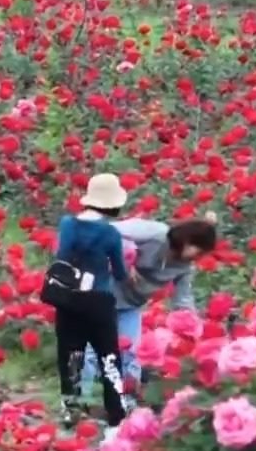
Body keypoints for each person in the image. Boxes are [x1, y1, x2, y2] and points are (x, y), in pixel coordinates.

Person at [82, 219, 217, 401]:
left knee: (131, 352)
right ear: (187, 241)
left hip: (130, 303)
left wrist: (192, 329)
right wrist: (124, 259)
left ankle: (126, 402)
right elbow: (110, 231)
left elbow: (183, 299)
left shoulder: (185, 267)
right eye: (199, 251)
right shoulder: (156, 233)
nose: (199, 257)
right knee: (91, 349)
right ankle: (80, 399)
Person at [50, 173, 135, 436]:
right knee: (108, 356)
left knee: (70, 355)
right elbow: (119, 272)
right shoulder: (110, 233)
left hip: (69, 299)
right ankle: (116, 412)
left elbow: (61, 256)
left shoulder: (68, 224)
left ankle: (70, 409)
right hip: (99, 301)